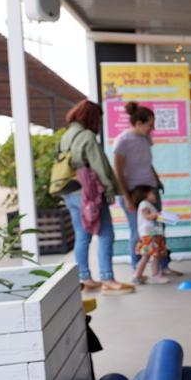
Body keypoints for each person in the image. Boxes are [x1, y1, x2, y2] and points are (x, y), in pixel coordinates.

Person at [59, 101, 134, 294]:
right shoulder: (87, 137)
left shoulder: (66, 136)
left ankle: (84, 278)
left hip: (70, 191)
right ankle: (107, 278)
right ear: (92, 117)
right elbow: (99, 166)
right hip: (89, 193)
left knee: (82, 235)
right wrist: (109, 190)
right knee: (106, 234)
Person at [113, 102, 180, 277]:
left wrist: (157, 180)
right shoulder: (122, 141)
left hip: (150, 188)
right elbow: (118, 173)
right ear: (138, 123)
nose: (153, 128)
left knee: (158, 227)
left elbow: (147, 164)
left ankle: (162, 267)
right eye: (150, 124)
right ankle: (138, 270)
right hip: (133, 192)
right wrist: (127, 198)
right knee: (139, 230)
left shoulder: (145, 138)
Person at [130, 184, 169, 285]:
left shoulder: (148, 204)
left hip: (152, 233)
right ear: (145, 195)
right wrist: (156, 215)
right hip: (150, 234)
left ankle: (137, 275)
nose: (155, 195)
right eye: (153, 193)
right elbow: (146, 216)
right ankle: (155, 275)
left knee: (147, 255)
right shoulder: (144, 204)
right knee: (155, 255)